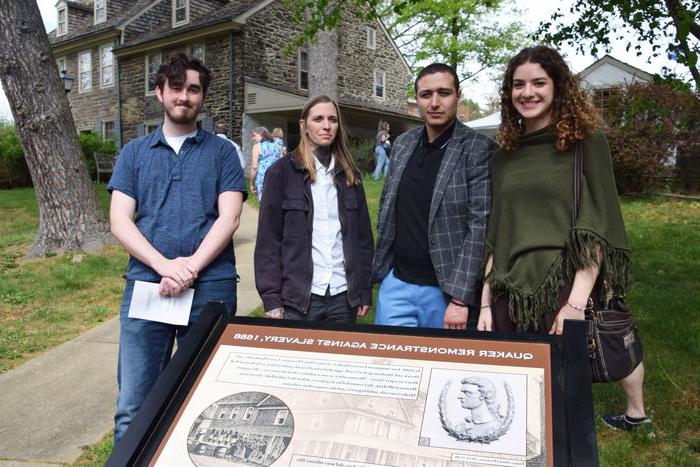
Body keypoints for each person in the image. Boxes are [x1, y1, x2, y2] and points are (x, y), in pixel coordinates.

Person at [477, 45, 651, 435]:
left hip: (564, 284)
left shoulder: (585, 143)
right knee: (520, 388)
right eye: (518, 85)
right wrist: (485, 302)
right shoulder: (503, 155)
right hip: (510, 289)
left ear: (558, 87)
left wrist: (577, 302)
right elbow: (498, 233)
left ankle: (623, 421)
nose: (528, 92)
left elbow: (596, 223)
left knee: (566, 393)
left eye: (539, 82)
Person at [108, 53, 246, 444]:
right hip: (146, 287)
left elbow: (229, 218)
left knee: (206, 400)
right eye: (176, 87)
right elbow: (120, 221)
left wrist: (189, 269)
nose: (184, 96)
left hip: (211, 287)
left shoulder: (222, 152)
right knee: (134, 405)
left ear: (202, 98)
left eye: (194, 89)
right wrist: (165, 266)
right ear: (159, 92)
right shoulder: (133, 153)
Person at [371, 63, 494, 329]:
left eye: (444, 93)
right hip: (397, 285)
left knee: (444, 370)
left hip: (445, 292)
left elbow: (479, 227)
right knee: (389, 367)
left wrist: (461, 299)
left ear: (458, 96)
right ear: (417, 99)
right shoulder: (403, 144)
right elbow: (387, 209)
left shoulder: (478, 148)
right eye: (426, 94)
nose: (435, 102)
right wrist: (382, 273)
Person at [255, 95, 374, 322]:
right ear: (304, 125)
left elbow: (364, 240)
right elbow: (268, 241)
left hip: (343, 296)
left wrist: (364, 289)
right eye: (318, 119)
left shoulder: (350, 176)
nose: (327, 126)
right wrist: (271, 298)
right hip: (298, 298)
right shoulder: (280, 173)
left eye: (332, 120)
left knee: (340, 358)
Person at [249, 126, 282, 201]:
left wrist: (251, 184)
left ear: (262, 135)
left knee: (264, 207)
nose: (253, 138)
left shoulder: (257, 147)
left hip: (263, 181)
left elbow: (254, 167)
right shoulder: (277, 146)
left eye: (254, 135)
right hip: (277, 179)